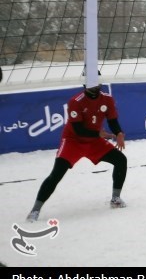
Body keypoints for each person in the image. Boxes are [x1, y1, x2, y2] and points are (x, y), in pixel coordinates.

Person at [26, 83, 127, 222]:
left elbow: (112, 120)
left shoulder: (107, 99)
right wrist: (100, 134)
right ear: (85, 84)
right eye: (91, 83)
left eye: (97, 83)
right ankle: (35, 210)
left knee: (121, 160)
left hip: (94, 141)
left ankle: (116, 199)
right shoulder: (75, 101)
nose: (95, 87)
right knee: (56, 173)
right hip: (73, 141)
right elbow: (79, 130)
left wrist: (119, 133)